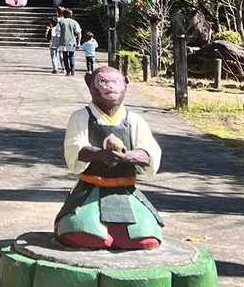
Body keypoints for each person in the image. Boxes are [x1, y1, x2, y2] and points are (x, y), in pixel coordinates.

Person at [55, 65, 164, 249]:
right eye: (103, 82)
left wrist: (129, 156)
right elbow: (75, 148)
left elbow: (150, 151)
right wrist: (99, 154)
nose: (110, 87)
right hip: (90, 190)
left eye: (115, 82)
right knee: (82, 234)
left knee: (146, 239)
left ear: (126, 84)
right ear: (89, 83)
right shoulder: (81, 117)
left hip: (125, 191)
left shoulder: (134, 120)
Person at [57, 7, 82, 77]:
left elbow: (57, 32)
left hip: (63, 42)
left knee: (65, 57)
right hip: (72, 42)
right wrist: (78, 43)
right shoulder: (74, 22)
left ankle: (68, 72)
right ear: (70, 15)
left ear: (63, 14)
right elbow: (79, 32)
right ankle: (72, 71)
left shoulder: (60, 22)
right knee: (71, 56)